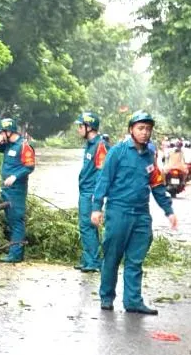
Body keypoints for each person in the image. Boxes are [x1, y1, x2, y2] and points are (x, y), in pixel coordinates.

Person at [91, 111, 178, 315]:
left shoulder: (149, 155)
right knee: (112, 256)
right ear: (131, 129)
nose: (145, 132)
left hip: (141, 214)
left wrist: (168, 210)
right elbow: (103, 180)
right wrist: (97, 208)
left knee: (136, 259)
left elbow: (156, 185)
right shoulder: (117, 152)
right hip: (118, 211)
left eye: (148, 129)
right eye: (141, 128)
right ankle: (106, 297)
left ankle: (132, 301)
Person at [0, 117, 36, 263]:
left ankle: (16, 254)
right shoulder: (8, 144)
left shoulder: (23, 146)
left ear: (9, 131)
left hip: (17, 189)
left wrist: (15, 177)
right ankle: (14, 251)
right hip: (6, 188)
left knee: (16, 219)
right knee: (10, 219)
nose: (1, 135)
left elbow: (29, 166)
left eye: (2, 132)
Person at [73, 112, 109, 273]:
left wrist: (97, 196)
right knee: (86, 226)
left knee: (87, 226)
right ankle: (89, 258)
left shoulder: (100, 146)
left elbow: (102, 172)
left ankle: (93, 261)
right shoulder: (89, 144)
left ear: (89, 127)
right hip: (85, 190)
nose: (78, 129)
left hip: (91, 192)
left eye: (80, 126)